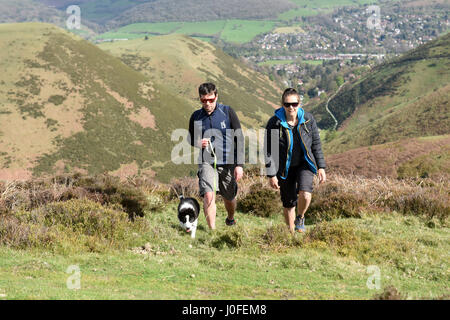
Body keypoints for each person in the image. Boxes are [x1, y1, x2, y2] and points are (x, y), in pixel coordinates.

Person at [265, 88, 326, 233]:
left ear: (299, 103)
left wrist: (321, 167)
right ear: (282, 104)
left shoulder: (308, 119)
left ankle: (301, 216)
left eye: (294, 103)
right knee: (288, 203)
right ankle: (291, 234)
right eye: (287, 104)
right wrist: (271, 174)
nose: (291, 107)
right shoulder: (274, 123)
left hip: (304, 164)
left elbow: (316, 143)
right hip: (284, 167)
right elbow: (269, 150)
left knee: (305, 193)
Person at [188, 83, 244, 230]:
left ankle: (230, 218)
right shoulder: (196, 116)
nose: (207, 103)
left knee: (229, 197)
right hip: (206, 161)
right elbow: (190, 138)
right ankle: (212, 231)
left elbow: (239, 137)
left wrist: (239, 165)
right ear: (200, 99)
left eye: (211, 100)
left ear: (216, 97)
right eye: (204, 100)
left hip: (228, 161)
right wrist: (198, 142)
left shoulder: (227, 111)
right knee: (208, 195)